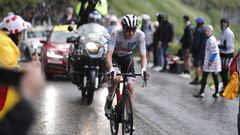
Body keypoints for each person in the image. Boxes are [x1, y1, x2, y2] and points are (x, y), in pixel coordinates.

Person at [0, 14, 45, 134]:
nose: (21, 36)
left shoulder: (4, 41)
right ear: (14, 33)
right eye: (21, 33)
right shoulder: (5, 46)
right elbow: (9, 73)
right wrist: (30, 73)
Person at [104, 14, 148, 121]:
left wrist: (143, 70)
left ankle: (129, 115)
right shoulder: (115, 33)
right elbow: (108, 54)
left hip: (127, 58)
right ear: (123, 27)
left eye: (133, 29)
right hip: (114, 57)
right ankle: (109, 98)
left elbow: (143, 56)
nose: (131, 33)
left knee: (131, 86)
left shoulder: (140, 35)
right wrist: (111, 69)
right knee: (116, 78)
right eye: (128, 30)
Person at [193, 25, 221, 98]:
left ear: (211, 32)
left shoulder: (211, 39)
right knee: (214, 77)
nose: (207, 32)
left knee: (205, 77)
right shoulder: (211, 38)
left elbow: (214, 52)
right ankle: (216, 92)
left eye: (208, 31)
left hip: (211, 62)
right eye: (206, 31)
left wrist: (211, 60)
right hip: (214, 62)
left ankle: (201, 93)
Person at [218, 18, 235, 95]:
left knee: (224, 72)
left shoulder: (228, 33)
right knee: (222, 72)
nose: (223, 24)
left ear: (227, 24)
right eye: (222, 23)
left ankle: (226, 89)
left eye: (225, 23)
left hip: (227, 55)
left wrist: (217, 45)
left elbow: (228, 46)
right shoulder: (223, 31)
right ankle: (225, 87)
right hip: (223, 54)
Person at [189, 17, 206, 85]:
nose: (196, 23)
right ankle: (203, 79)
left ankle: (196, 79)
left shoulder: (198, 30)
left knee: (197, 65)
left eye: (197, 22)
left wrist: (192, 49)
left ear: (199, 23)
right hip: (203, 50)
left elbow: (196, 42)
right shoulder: (204, 29)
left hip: (197, 51)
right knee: (202, 65)